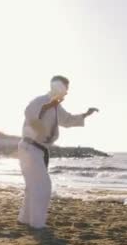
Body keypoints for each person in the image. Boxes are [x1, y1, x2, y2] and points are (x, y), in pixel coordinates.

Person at [18, 75, 99, 229]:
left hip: (37, 150)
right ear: (58, 87)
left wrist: (86, 114)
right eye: (66, 88)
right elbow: (30, 115)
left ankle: (25, 219)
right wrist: (47, 109)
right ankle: (37, 225)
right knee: (43, 186)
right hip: (30, 148)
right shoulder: (40, 101)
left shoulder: (56, 107)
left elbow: (67, 120)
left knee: (32, 187)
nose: (67, 92)